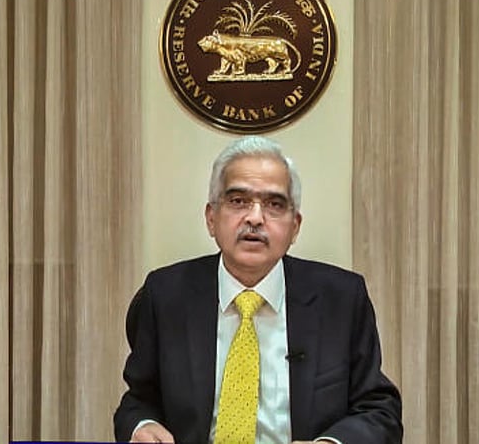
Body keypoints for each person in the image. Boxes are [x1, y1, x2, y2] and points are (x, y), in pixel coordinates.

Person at [113, 136, 402, 443]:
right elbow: (138, 400)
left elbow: (379, 410)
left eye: (274, 204)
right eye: (238, 201)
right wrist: (141, 424)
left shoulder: (341, 299)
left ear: (295, 226)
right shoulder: (166, 294)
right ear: (212, 218)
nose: (254, 218)